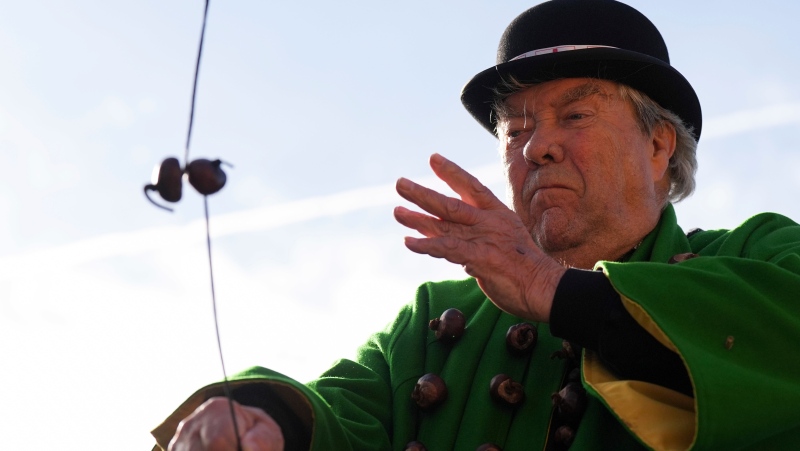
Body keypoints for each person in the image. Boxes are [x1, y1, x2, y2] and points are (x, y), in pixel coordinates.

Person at [153, 1, 800, 450]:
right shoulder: (440, 317)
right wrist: (263, 421)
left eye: (574, 116)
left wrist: (559, 291)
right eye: (516, 129)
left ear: (660, 145)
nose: (537, 147)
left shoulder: (760, 252)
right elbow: (342, 412)